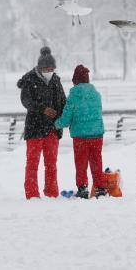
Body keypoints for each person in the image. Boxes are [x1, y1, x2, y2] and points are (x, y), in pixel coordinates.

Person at [17, 46, 66, 199]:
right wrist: (43, 109)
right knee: (32, 164)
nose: (50, 70)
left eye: (53, 68)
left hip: (52, 129)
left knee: (51, 165)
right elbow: (26, 101)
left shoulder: (56, 80)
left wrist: (61, 115)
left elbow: (63, 101)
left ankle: (52, 193)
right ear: (40, 67)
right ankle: (32, 195)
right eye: (47, 68)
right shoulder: (29, 80)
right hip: (34, 128)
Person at [55, 64, 107, 199]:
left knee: (81, 163)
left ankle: (83, 188)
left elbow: (66, 119)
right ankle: (100, 188)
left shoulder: (74, 95)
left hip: (81, 136)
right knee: (97, 161)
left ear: (75, 80)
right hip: (97, 134)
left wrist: (56, 124)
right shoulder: (96, 94)